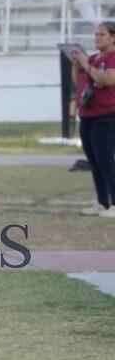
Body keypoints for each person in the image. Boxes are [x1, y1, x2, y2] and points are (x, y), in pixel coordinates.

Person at [72, 21, 115, 218]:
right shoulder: (93, 58)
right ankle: (101, 201)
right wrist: (76, 66)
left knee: (106, 160)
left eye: (102, 34)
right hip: (87, 115)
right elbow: (79, 83)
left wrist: (87, 66)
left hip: (105, 115)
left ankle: (113, 202)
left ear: (113, 37)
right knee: (94, 161)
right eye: (96, 34)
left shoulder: (111, 57)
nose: (97, 37)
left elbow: (107, 80)